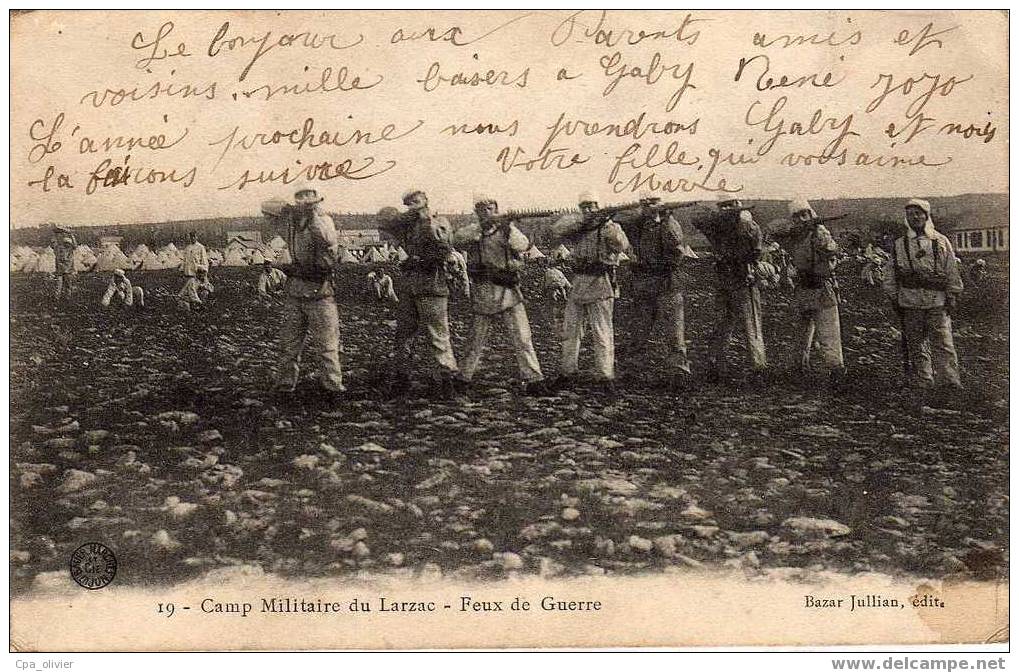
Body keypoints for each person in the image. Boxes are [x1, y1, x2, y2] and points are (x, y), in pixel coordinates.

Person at [454, 193, 546, 395]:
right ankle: (463, 378)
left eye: (490, 209)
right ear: (476, 213)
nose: (486, 213)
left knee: (522, 337)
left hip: (507, 290)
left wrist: (508, 228)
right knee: (476, 338)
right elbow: (457, 239)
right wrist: (480, 228)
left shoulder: (507, 230)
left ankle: (534, 379)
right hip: (483, 290)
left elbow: (523, 246)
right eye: (481, 209)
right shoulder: (474, 232)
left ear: (496, 209)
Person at [261, 185, 345, 396]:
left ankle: (333, 389)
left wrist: (312, 214)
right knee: (288, 345)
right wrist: (291, 211)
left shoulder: (324, 220)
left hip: (320, 292)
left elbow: (326, 240)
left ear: (317, 200)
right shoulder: (291, 222)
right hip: (296, 291)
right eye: (300, 197)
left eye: (309, 196)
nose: (304, 200)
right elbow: (269, 207)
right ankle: (284, 386)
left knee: (326, 346)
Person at [378, 189, 462, 398]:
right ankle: (402, 378)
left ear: (426, 200)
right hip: (410, 286)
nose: (414, 205)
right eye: (410, 203)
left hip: (432, 284)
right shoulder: (407, 226)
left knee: (438, 334)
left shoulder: (438, 222)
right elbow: (389, 223)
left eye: (417, 201)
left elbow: (444, 250)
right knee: (404, 333)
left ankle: (446, 380)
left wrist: (419, 260)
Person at [550, 192, 630, 391]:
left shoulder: (608, 227)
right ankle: (568, 371)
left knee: (602, 332)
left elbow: (622, 245)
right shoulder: (578, 226)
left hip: (601, 281)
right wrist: (582, 222)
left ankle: (605, 375)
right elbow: (556, 230)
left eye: (591, 206)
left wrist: (607, 224)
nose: (588, 210)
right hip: (579, 282)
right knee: (571, 330)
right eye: (584, 207)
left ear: (597, 206)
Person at [882, 198, 964, 390]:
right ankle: (923, 380)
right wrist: (894, 298)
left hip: (937, 301)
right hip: (910, 302)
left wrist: (953, 294)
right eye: (910, 214)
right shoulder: (899, 244)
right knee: (916, 343)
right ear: (906, 218)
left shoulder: (940, 241)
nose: (914, 217)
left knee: (943, 343)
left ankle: (949, 382)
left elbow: (951, 269)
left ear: (926, 216)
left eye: (918, 213)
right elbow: (890, 274)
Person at [614, 197, 693, 390]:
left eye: (652, 203)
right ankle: (631, 370)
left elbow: (677, 254)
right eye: (645, 204)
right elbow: (620, 219)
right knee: (639, 329)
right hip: (644, 283)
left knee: (674, 332)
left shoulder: (669, 225)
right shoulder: (638, 224)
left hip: (666, 283)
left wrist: (652, 265)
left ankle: (678, 372)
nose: (648, 207)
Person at [692, 194, 768, 384]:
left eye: (731, 206)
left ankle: (757, 366)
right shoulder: (716, 224)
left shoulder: (746, 225)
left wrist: (739, 220)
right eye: (725, 206)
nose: (728, 210)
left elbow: (757, 250)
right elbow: (697, 220)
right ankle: (719, 365)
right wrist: (723, 217)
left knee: (749, 324)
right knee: (725, 324)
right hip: (726, 280)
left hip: (742, 278)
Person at [787, 198, 845, 386]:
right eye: (797, 217)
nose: (802, 219)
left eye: (805, 215)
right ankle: (799, 368)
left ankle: (836, 369)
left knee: (829, 333)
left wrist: (820, 234)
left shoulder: (820, 233)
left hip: (821, 286)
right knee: (802, 333)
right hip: (803, 288)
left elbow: (831, 251)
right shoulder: (793, 236)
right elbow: (775, 232)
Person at [51, 226, 77, 301]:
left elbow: (53, 243)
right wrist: (70, 234)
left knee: (60, 285)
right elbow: (75, 245)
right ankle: (65, 298)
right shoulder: (68, 249)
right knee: (66, 285)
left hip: (61, 270)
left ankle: (58, 298)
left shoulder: (58, 248)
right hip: (67, 270)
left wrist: (56, 234)